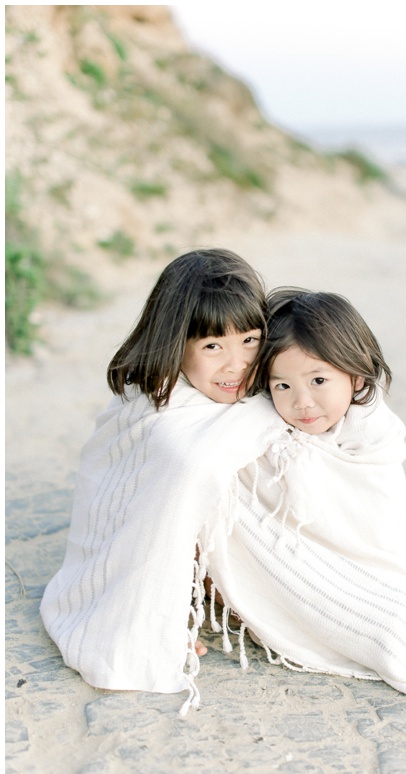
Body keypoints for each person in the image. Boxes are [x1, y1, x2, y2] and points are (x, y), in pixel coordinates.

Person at [202, 288, 406, 711]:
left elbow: (376, 528)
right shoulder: (265, 427)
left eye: (318, 381)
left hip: (368, 567)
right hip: (298, 561)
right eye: (283, 385)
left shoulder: (372, 432)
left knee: (393, 617)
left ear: (355, 377)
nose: (302, 402)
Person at [39, 248, 285, 716]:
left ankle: (236, 588)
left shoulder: (259, 389)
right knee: (193, 467)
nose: (236, 365)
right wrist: (160, 617)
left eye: (250, 340)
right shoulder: (153, 409)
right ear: (176, 342)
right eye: (213, 346)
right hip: (172, 549)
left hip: (213, 549)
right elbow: (138, 511)